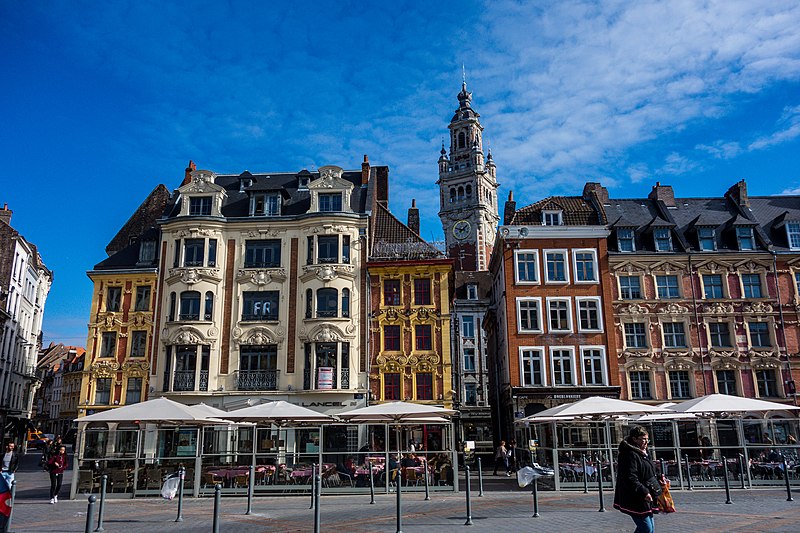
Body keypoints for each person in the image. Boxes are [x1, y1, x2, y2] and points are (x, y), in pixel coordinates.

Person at [613, 426, 663, 533]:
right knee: (646, 528)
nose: (646, 442)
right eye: (643, 439)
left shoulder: (643, 452)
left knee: (650, 528)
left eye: (647, 439)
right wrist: (644, 492)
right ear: (634, 439)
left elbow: (650, 469)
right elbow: (630, 477)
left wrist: (660, 477)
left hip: (646, 494)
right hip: (635, 496)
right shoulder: (629, 454)